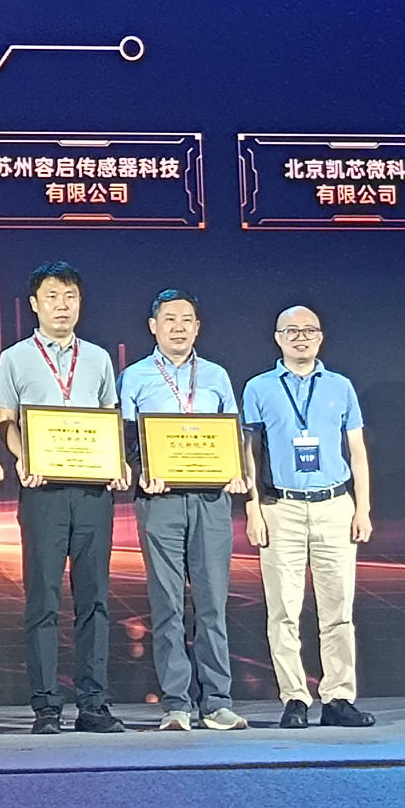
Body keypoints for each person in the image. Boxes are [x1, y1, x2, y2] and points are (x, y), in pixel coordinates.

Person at [0, 262, 127, 734]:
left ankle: (93, 704)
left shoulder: (99, 358)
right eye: (52, 296)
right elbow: (5, 421)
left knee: (95, 600)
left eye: (70, 296)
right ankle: (46, 706)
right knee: (43, 599)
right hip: (43, 491)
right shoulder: (14, 358)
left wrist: (117, 462)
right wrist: (23, 457)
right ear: (34, 304)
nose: (62, 306)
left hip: (92, 492)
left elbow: (110, 417)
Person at [117, 288, 248, 732]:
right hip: (161, 500)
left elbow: (232, 433)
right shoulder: (134, 376)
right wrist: (141, 472)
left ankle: (217, 702)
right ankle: (176, 703)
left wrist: (236, 472)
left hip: (211, 500)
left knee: (212, 603)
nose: (178, 327)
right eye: (169, 319)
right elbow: (126, 438)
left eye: (186, 320)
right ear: (153, 326)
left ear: (197, 327)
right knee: (167, 604)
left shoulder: (216, 375)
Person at [241, 306, 375, 729]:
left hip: (334, 505)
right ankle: (295, 697)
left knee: (338, 610)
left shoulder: (340, 386)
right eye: (292, 331)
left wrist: (362, 508)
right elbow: (249, 452)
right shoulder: (259, 387)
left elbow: (357, 451)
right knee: (283, 610)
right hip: (281, 507)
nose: (301, 337)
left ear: (321, 336)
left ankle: (338, 697)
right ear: (277, 337)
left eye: (309, 330)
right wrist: (252, 507)